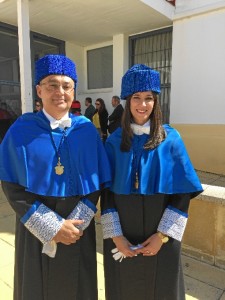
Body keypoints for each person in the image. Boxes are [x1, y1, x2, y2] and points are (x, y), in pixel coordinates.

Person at [0, 54, 111, 300]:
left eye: (66, 85)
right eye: (52, 85)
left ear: (74, 91)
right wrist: (52, 226)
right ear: (39, 90)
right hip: (35, 230)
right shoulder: (21, 129)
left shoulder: (85, 130)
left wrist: (74, 225)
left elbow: (97, 181)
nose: (59, 91)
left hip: (78, 229)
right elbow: (11, 186)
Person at [101, 64, 203, 300]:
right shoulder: (114, 141)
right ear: (127, 101)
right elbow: (106, 193)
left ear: (156, 101)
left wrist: (162, 237)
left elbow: (181, 195)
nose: (143, 104)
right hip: (123, 236)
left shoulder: (171, 139)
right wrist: (116, 235)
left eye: (149, 98)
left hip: (160, 239)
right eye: (136, 97)